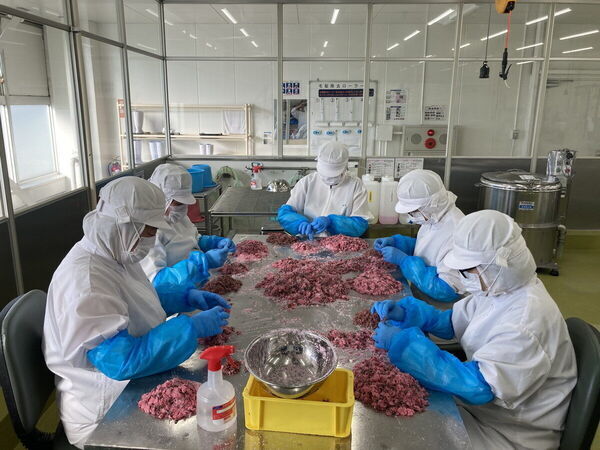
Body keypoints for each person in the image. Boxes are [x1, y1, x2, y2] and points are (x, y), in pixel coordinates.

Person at [43, 177, 231, 448]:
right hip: (104, 411)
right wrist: (190, 329)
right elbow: (121, 362)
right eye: (149, 231)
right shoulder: (86, 281)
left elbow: (136, 301)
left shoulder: (114, 253)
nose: (152, 240)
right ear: (124, 225)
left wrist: (185, 298)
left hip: (132, 385)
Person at [372, 210, 577, 449]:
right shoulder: (498, 290)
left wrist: (404, 346)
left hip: (510, 433)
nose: (463, 277)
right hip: (485, 412)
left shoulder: (526, 322)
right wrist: (409, 314)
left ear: (499, 265)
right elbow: (453, 322)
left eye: (468, 270)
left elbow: (478, 387)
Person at [140, 164, 235, 292]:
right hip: (176, 294)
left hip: (198, 284)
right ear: (163, 199)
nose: (183, 208)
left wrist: (211, 242)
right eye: (178, 203)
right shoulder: (148, 231)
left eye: (185, 203)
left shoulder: (177, 216)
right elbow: (158, 280)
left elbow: (192, 238)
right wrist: (204, 262)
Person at [374, 169, 463, 302]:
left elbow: (446, 290)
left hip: (442, 305)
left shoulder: (457, 232)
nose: (412, 217)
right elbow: (428, 247)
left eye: (414, 211)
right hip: (422, 293)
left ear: (432, 204)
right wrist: (398, 242)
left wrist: (404, 261)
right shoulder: (434, 217)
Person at [277, 142, 373, 238]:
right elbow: (285, 214)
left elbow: (359, 224)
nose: (328, 178)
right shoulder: (307, 182)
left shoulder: (356, 185)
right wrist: (298, 223)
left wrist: (331, 222)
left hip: (340, 244)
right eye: (325, 172)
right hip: (307, 242)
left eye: (334, 174)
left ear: (345, 167)